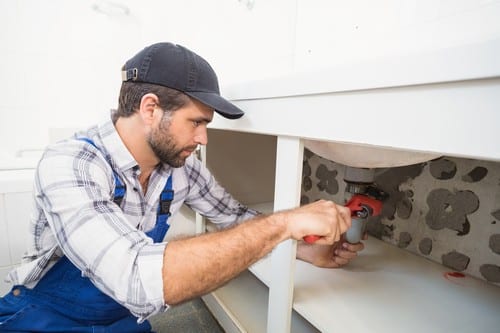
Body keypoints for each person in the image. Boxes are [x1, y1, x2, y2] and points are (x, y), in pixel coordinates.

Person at [0, 42, 365, 332]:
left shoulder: (179, 169)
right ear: (150, 108)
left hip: (121, 320)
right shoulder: (71, 164)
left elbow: (235, 218)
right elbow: (134, 278)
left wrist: (302, 249)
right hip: (45, 317)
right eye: (196, 122)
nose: (203, 138)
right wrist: (285, 223)